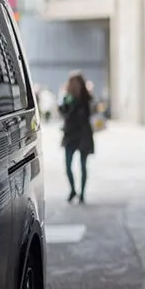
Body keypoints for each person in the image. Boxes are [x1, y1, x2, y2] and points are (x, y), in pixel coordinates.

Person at [59, 72, 95, 204]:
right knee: (68, 165)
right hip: (70, 135)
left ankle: (82, 193)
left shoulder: (86, 99)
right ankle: (73, 190)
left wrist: (76, 104)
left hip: (83, 135)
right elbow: (63, 113)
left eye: (75, 82)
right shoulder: (67, 98)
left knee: (83, 166)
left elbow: (88, 114)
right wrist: (66, 104)